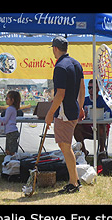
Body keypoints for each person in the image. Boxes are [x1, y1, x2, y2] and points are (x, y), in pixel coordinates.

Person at [45, 36, 85, 194]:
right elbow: (82, 88)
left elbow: (60, 94)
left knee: (65, 146)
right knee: (65, 146)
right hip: (73, 110)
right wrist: (80, 107)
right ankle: (74, 180)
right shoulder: (76, 63)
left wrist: (49, 114)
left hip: (64, 113)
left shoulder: (60, 66)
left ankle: (74, 183)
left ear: (55, 48)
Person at [74, 79, 112, 157]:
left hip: (100, 130)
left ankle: (101, 152)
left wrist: (102, 114)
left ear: (98, 89)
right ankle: (83, 151)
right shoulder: (84, 100)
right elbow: (77, 111)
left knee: (101, 126)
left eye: (93, 88)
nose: (90, 90)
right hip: (87, 129)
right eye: (89, 88)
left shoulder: (103, 100)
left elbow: (110, 113)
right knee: (76, 128)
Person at [0, 91, 21, 156]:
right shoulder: (13, 109)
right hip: (12, 131)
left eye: (7, 98)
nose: (6, 100)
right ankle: (11, 161)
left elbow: (5, 120)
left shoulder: (10, 109)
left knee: (10, 151)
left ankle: (11, 161)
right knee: (11, 149)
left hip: (11, 132)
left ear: (12, 100)